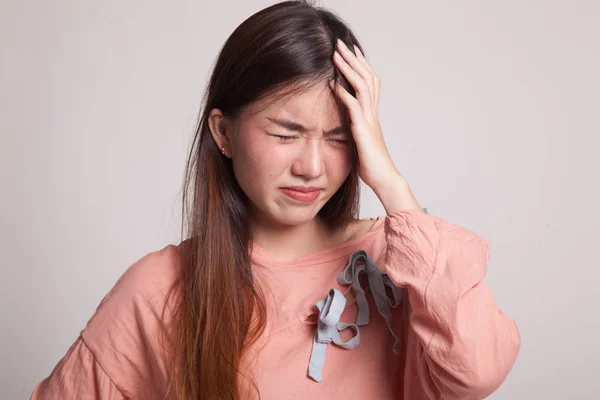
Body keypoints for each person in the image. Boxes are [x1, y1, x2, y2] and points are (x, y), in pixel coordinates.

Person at [30, 1, 520, 399]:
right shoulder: (160, 289)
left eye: (338, 137)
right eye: (287, 133)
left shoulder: (404, 264)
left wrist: (390, 181)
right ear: (223, 132)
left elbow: (475, 372)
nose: (311, 166)